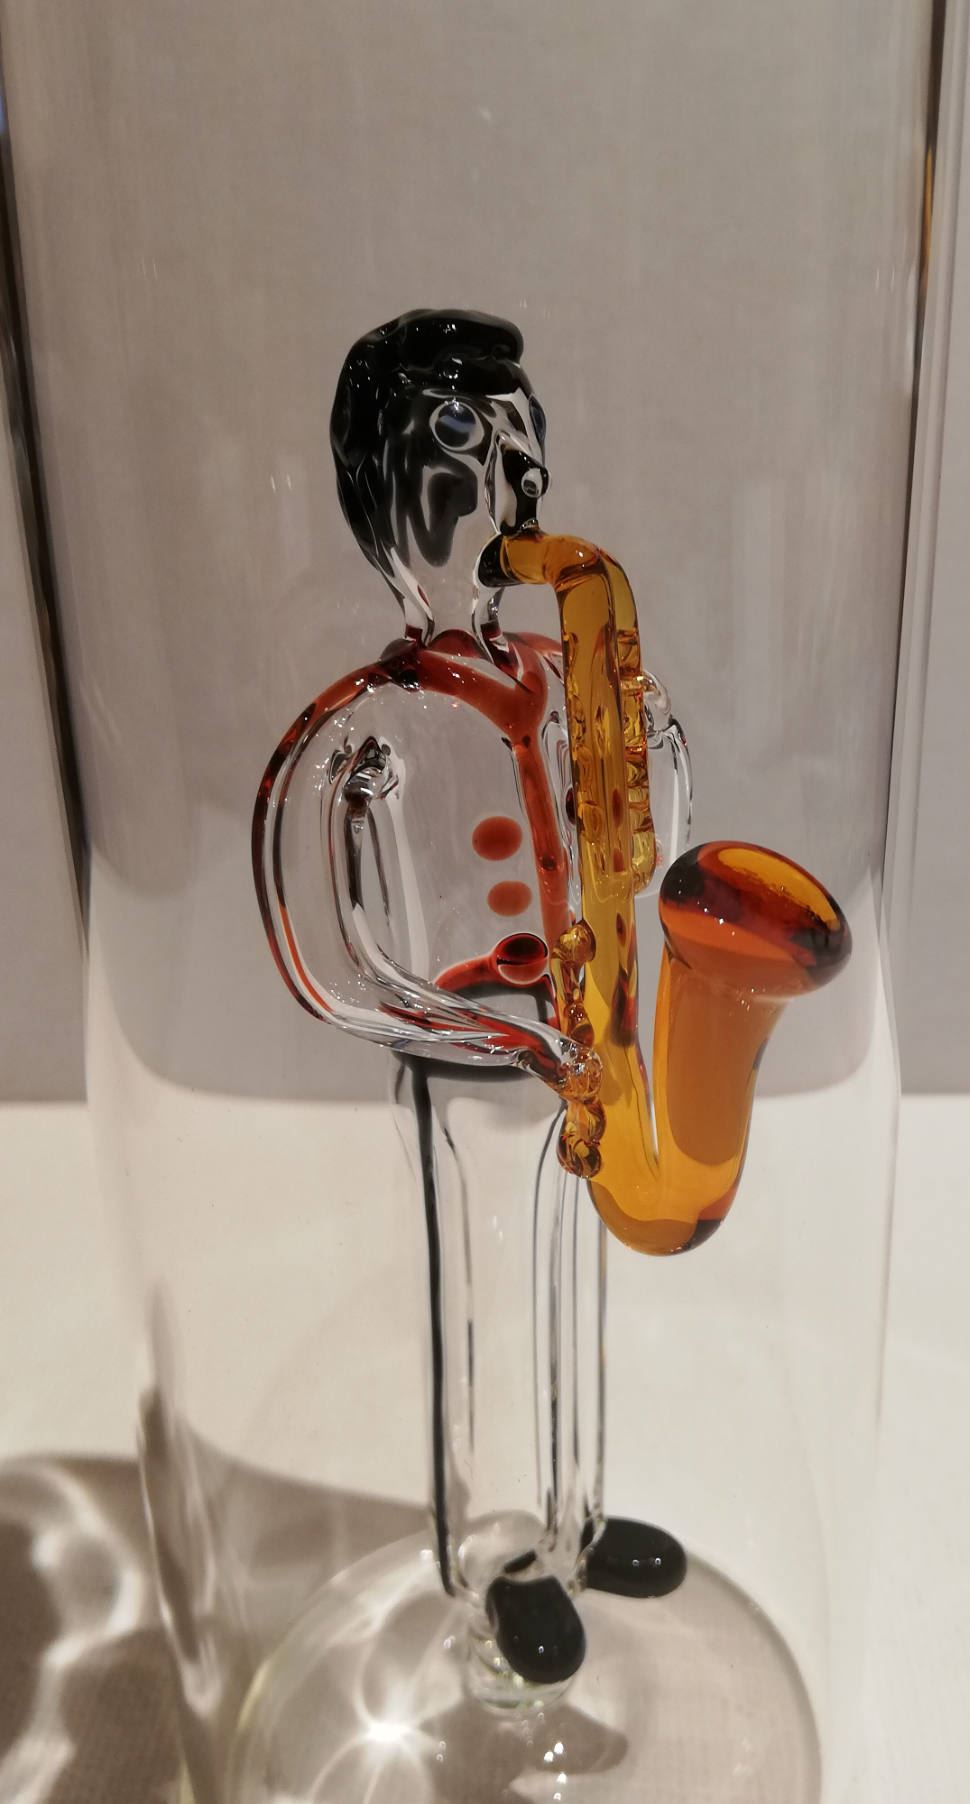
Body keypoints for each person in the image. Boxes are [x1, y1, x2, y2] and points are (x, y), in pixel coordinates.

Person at [253, 310, 687, 1690]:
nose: (512, 482)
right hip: (481, 1070)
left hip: (585, 1046)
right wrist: (507, 1037)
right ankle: (496, 1560)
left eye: (519, 443)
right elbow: (330, 963)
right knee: (490, 1303)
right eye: (462, 443)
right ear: (383, 504)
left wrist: (646, 764)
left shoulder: (568, 679)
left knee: (574, 1291)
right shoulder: (366, 724)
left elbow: (647, 841)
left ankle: (576, 1519)